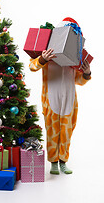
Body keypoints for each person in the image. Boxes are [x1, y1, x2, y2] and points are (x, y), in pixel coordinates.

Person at [29, 19, 91, 174]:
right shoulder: (47, 52)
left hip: (69, 98)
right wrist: (43, 59)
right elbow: (32, 66)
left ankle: (63, 160)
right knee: (52, 129)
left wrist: (86, 72)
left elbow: (79, 81)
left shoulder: (75, 57)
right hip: (51, 97)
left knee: (67, 130)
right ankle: (53, 162)